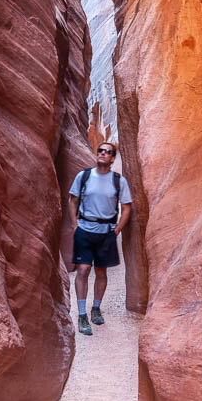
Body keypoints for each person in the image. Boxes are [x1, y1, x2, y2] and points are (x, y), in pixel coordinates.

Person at [68, 142, 132, 335]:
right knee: (83, 270)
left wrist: (117, 229)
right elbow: (73, 201)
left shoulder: (118, 181)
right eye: (100, 151)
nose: (103, 154)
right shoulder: (84, 176)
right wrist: (74, 224)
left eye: (108, 152)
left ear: (113, 159)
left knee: (101, 272)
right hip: (85, 230)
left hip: (106, 232)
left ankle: (96, 308)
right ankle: (81, 314)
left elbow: (127, 207)